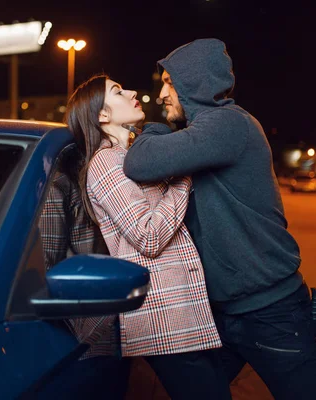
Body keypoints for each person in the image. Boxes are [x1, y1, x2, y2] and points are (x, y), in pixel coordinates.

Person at [123, 38, 316, 400]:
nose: (160, 95)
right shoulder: (205, 134)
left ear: (195, 82)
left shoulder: (229, 126)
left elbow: (139, 162)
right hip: (222, 314)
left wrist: (156, 128)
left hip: (272, 312)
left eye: (169, 82)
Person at [65, 73, 231, 400]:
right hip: (163, 314)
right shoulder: (106, 162)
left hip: (181, 310)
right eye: (117, 90)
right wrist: (184, 173)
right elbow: (149, 235)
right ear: (102, 115)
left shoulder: (129, 156)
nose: (131, 91)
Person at [38, 150, 131, 400]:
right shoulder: (61, 184)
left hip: (111, 326)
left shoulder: (112, 174)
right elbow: (47, 267)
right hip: (86, 333)